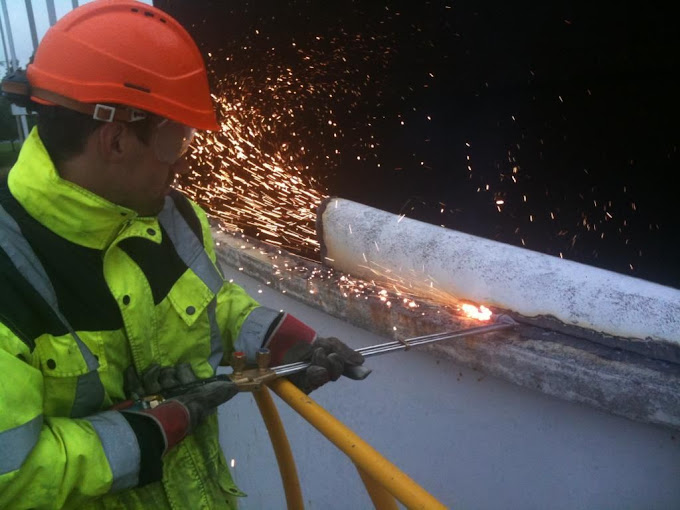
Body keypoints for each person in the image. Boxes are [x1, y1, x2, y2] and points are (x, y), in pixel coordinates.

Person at [0, 1, 367, 508]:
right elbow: (10, 475)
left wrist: (280, 340)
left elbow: (212, 307)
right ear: (116, 139)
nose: (185, 162)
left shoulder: (177, 219)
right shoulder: (8, 277)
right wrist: (145, 435)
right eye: (176, 139)